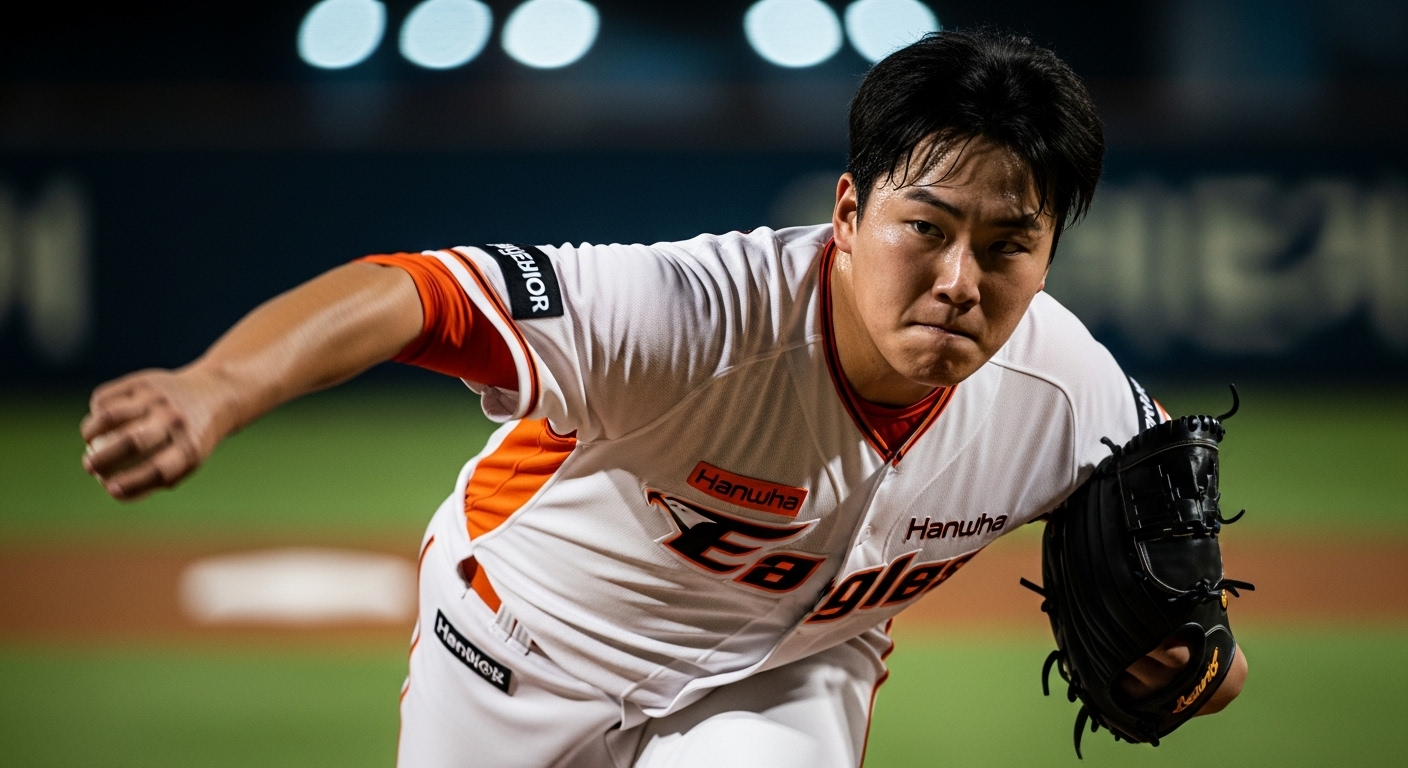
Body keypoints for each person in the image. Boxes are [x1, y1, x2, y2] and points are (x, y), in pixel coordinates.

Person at [80, 29, 1245, 768]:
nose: (958, 279)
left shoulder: (1070, 390)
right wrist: (217, 386)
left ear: (1050, 254)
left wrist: (1200, 663)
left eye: (1006, 245)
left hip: (782, 678)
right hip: (520, 636)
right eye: (925, 229)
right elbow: (417, 293)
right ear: (847, 216)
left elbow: (1191, 618)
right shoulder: (699, 314)